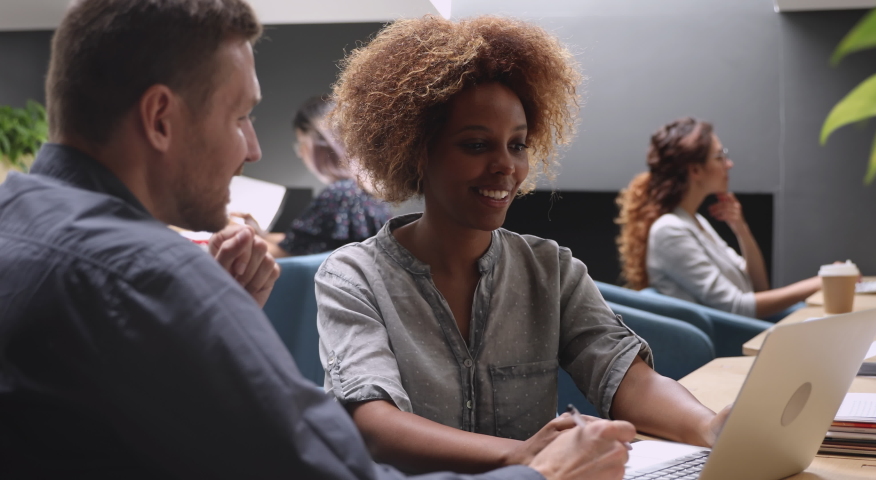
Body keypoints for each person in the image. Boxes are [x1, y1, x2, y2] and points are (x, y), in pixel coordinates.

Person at [0, 1, 633, 479]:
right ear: (160, 118)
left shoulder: (16, 219)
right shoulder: (155, 280)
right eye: (241, 116)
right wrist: (539, 473)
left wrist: (211, 326)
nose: (252, 149)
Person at [316, 16, 730, 476]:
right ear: (416, 151)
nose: (506, 166)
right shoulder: (353, 277)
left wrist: (711, 427)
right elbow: (372, 424)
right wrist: (520, 455)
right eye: (476, 145)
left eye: (517, 145)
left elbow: (625, 376)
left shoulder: (549, 269)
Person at [616, 117, 822, 320]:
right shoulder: (670, 230)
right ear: (695, 170)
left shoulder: (696, 221)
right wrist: (816, 284)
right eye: (720, 156)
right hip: (733, 339)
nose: (729, 164)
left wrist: (741, 229)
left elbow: (758, 287)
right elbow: (737, 307)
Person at [234, 96, 391, 257]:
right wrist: (262, 235)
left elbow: (288, 255)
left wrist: (231, 229)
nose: (300, 154)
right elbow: (304, 243)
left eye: (301, 142)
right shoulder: (362, 193)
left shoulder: (340, 195)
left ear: (321, 142)